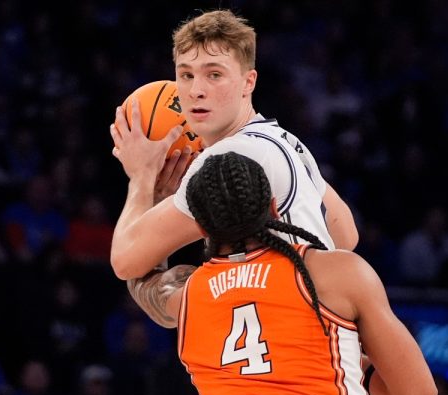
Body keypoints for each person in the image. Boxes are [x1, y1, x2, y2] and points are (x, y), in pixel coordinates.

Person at [130, 153, 436, 395]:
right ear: (274, 207)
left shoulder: (186, 295)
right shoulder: (337, 272)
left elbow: (137, 271)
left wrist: (148, 190)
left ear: (200, 228)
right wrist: (350, 367)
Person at [109, 9, 357, 281]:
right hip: (318, 317)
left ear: (248, 82)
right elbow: (345, 236)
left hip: (288, 320)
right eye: (186, 75)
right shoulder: (287, 140)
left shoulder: (226, 159)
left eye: (214, 75)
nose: (196, 91)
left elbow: (126, 262)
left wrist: (142, 176)